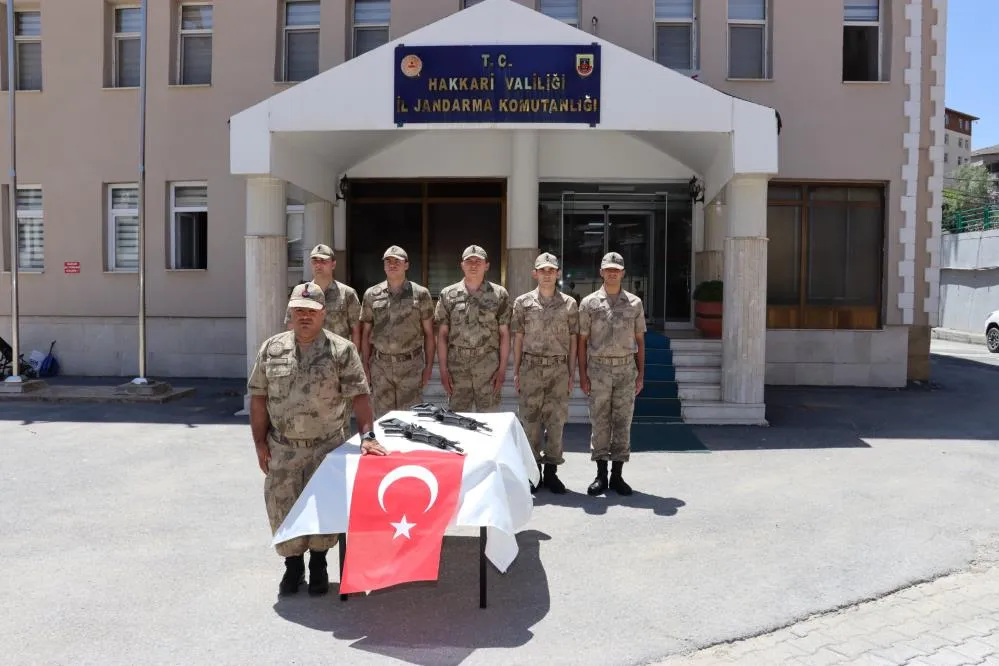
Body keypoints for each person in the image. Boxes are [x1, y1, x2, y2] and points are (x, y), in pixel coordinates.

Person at [248, 281, 387, 597]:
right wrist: (259, 443)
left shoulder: (341, 350)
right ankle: (293, 567)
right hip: (283, 448)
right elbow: (258, 397)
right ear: (290, 313)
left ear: (323, 313)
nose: (304, 316)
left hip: (327, 448)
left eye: (311, 311)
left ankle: (319, 564)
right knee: (283, 508)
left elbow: (359, 396)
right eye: (299, 310)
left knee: (324, 508)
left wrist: (367, 436)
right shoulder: (272, 349)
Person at [577, 251, 646, 497]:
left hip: (626, 369)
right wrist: (583, 375)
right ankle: (600, 475)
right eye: (608, 269)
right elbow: (582, 341)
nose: (612, 273)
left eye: (616, 270)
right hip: (599, 369)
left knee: (622, 422)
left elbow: (640, 340)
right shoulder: (589, 303)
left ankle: (617, 475)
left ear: (623, 273)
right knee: (599, 422)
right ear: (601, 272)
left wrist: (640, 375)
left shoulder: (635, 303)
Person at [511, 252, 578, 494]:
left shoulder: (569, 304)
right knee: (530, 423)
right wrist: (516, 370)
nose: (547, 274)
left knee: (556, 422)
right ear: (535, 273)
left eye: (551, 270)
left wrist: (571, 373)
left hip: (558, 369)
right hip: (530, 367)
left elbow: (573, 340)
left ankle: (551, 472)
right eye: (542, 270)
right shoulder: (522, 303)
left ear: (558, 273)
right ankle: (533, 473)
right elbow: (518, 337)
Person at [360, 245, 436, 419]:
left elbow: (429, 334)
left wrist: (429, 366)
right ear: (384, 265)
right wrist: (365, 365)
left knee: (410, 420)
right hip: (381, 367)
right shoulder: (371, 294)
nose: (392, 265)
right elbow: (366, 333)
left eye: (397, 261)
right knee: (383, 420)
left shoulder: (421, 294)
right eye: (388, 261)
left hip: (411, 366)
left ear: (406, 265)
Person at [434, 245, 511, 412]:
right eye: (469, 261)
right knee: (458, 419)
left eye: (478, 261)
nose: (473, 265)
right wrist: (443, 370)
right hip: (457, 366)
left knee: (490, 420)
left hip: (488, 365)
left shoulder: (499, 294)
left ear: (487, 265)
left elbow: (504, 334)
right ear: (462, 265)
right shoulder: (448, 294)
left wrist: (502, 369)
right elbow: (442, 335)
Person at [285, 244, 362, 349]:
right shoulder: (300, 293)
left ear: (333, 264)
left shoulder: (347, 293)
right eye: (315, 261)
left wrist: (353, 356)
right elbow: (291, 327)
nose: (318, 265)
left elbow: (356, 330)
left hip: (338, 355)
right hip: (308, 354)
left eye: (323, 261)